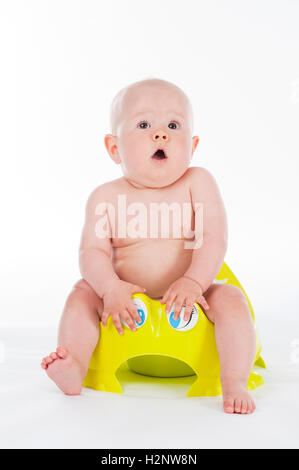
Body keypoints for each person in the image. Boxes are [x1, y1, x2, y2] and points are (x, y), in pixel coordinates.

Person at [41, 78, 256, 414]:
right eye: (144, 124)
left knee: (230, 298)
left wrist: (193, 282)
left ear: (193, 146)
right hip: (125, 304)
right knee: (82, 293)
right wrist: (110, 287)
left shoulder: (197, 183)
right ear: (114, 148)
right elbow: (92, 252)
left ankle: (233, 381)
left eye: (173, 124)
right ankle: (75, 365)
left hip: (193, 300)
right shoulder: (106, 197)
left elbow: (214, 238)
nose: (161, 134)